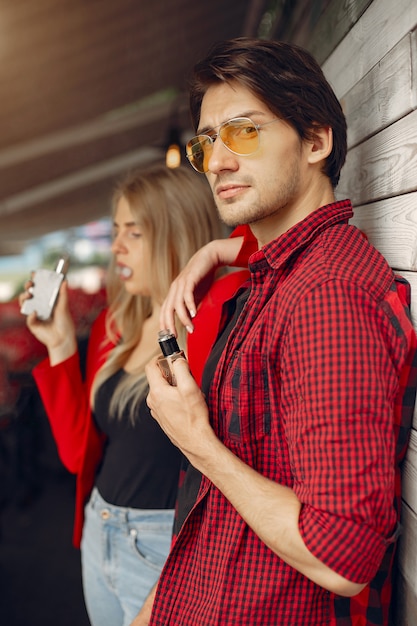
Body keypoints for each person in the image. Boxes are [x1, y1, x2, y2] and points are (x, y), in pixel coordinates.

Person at [133, 38, 417, 625]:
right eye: (207, 142)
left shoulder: (325, 296)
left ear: (316, 141)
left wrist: (196, 440)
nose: (215, 162)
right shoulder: (280, 272)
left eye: (244, 131)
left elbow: (344, 555)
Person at [19, 164, 247, 626]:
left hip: (166, 545)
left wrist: (218, 250)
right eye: (116, 230)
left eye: (134, 232)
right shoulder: (115, 323)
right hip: (100, 531)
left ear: (177, 233)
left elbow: (282, 247)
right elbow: (78, 453)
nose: (116, 245)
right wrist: (60, 343)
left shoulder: (221, 311)